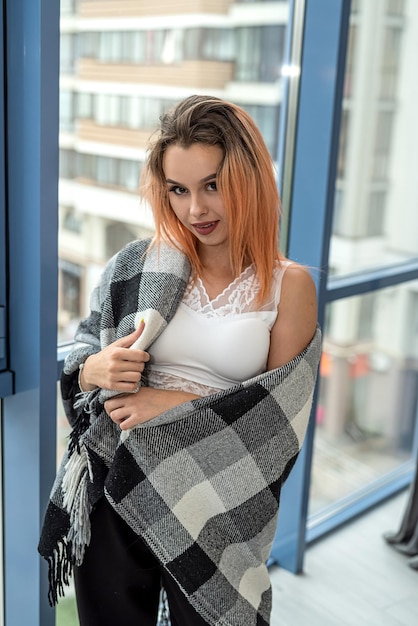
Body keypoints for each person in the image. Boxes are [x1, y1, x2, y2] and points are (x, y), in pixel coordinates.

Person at [39, 95, 321, 626]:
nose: (197, 210)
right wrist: (93, 370)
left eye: (213, 184)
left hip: (218, 513)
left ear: (249, 179)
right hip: (118, 482)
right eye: (179, 190)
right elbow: (82, 355)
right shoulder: (138, 264)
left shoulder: (291, 286)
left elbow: (277, 428)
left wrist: (172, 404)